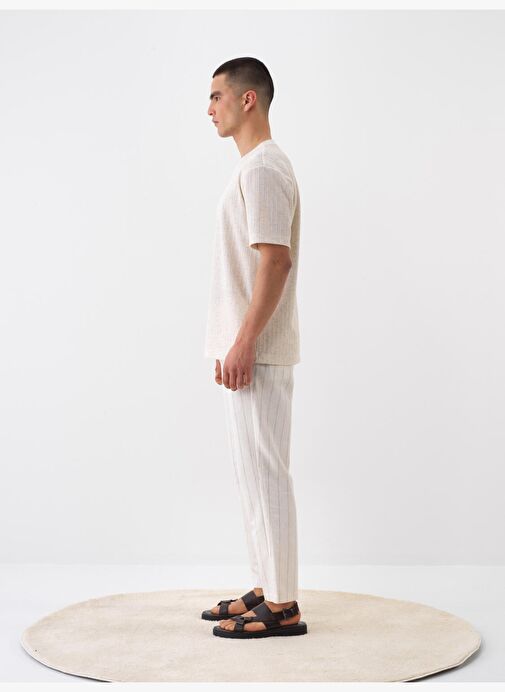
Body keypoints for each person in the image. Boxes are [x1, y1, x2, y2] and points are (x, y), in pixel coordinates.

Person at [203, 57, 307, 639]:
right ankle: (267, 586)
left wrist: (244, 342)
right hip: (245, 352)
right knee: (251, 476)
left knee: (268, 475)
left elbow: (276, 261)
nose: (208, 109)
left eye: (216, 96)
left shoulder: (264, 167)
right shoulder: (252, 167)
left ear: (248, 100)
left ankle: (285, 606)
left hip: (258, 352)